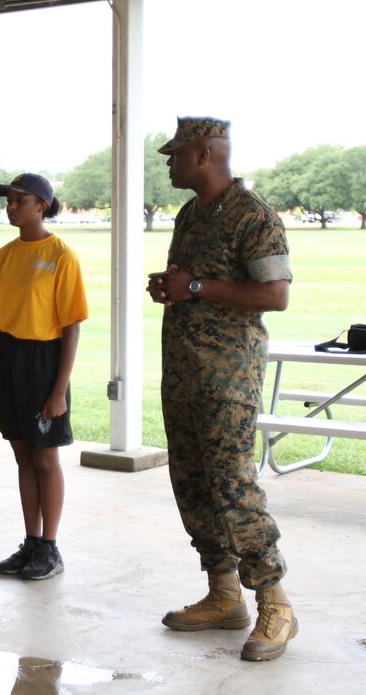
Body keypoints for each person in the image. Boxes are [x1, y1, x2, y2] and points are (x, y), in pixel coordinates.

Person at [146, 118, 296, 661]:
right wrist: (174, 288)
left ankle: (275, 604)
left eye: (176, 154)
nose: (169, 163)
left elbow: (275, 294)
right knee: (192, 482)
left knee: (233, 486)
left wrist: (197, 286)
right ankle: (223, 595)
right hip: (183, 372)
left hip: (227, 375)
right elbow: (194, 286)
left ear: (204, 152)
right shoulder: (190, 214)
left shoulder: (253, 216)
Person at [0, 173, 87, 580]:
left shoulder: (61, 256)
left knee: (45, 457)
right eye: (8, 201)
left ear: (41, 206)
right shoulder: (4, 256)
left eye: (19, 201)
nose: (10, 207)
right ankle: (30, 542)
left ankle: (50, 546)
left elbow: (71, 326)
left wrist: (58, 390)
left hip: (44, 362)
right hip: (8, 359)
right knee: (22, 454)